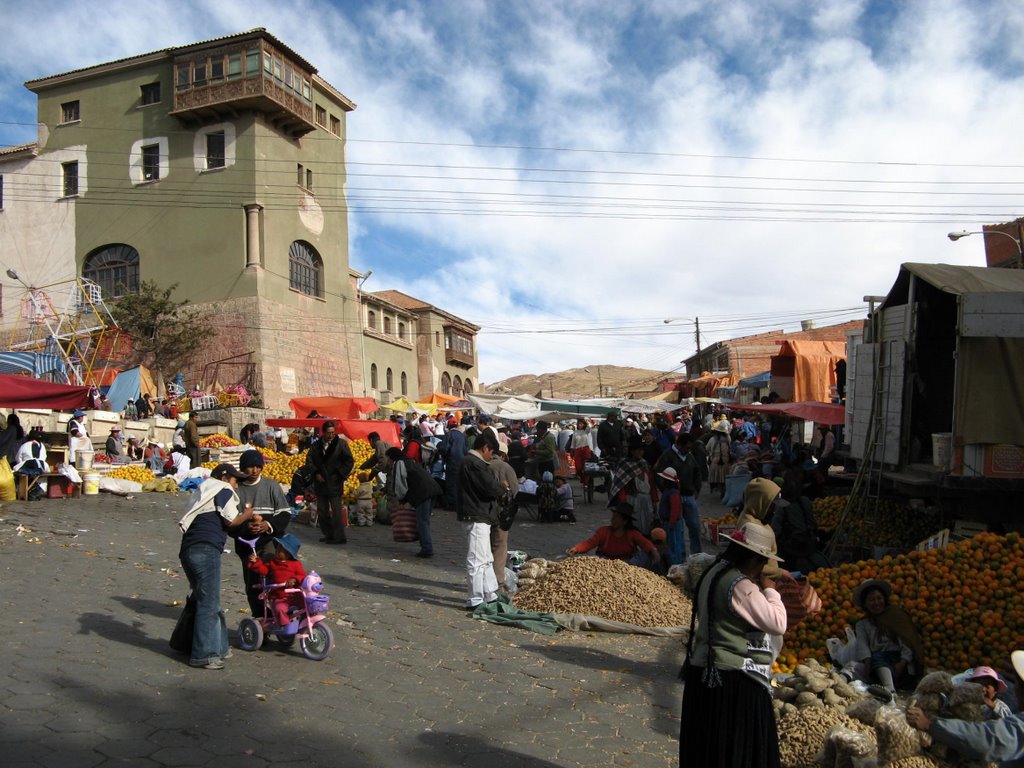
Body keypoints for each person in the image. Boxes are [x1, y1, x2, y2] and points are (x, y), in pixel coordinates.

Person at [679, 523, 787, 768]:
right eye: (761, 563)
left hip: (703, 670)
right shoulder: (741, 586)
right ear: (755, 560)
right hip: (731, 680)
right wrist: (771, 592)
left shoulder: (713, 572)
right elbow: (778, 623)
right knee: (733, 748)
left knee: (708, 747)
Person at [175, 463, 254, 669]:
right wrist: (246, 515)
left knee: (203, 597)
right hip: (206, 548)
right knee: (209, 603)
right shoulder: (222, 488)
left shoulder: (203, 490)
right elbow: (230, 520)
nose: (236, 486)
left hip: (188, 549)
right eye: (236, 481)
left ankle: (214, 647)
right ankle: (205, 655)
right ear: (226, 477)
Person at [906, 650, 1024, 765]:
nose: (983, 689)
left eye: (1018, 685)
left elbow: (985, 739)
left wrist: (930, 724)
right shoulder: (963, 699)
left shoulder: (1009, 715)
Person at [233, 449, 292, 618]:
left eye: (257, 467)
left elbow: (284, 514)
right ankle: (260, 617)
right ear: (243, 468)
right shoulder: (237, 489)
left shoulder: (271, 486)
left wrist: (267, 524)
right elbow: (231, 521)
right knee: (253, 583)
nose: (254, 471)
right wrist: (246, 527)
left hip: (269, 540)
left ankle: (278, 612)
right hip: (246, 544)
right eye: (250, 467)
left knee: (273, 577)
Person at [456, 432, 507, 610]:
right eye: (490, 453)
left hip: (479, 514)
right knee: (477, 559)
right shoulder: (473, 463)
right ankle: (475, 598)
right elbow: (489, 487)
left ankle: (490, 593)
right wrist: (503, 487)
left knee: (486, 558)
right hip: (476, 514)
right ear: (485, 448)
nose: (490, 457)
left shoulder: (471, 462)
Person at [852, 578, 925, 697]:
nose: (876, 603)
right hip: (878, 663)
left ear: (885, 599)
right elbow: (863, 645)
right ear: (865, 604)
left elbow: (907, 641)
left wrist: (902, 662)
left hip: (899, 661)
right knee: (870, 662)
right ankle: (890, 690)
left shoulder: (896, 616)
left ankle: (889, 690)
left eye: (879, 598)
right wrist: (867, 661)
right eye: (871, 600)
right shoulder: (863, 624)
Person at [386, 446, 442, 558]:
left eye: (388, 458)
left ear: (392, 457)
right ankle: (425, 546)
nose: (387, 461)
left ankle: (427, 549)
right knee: (424, 520)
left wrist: (401, 500)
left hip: (423, 492)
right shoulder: (409, 461)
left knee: (422, 521)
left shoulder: (399, 464)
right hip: (432, 489)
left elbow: (400, 484)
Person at [304, 421, 354, 545]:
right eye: (328, 433)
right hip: (320, 482)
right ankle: (328, 534)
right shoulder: (316, 446)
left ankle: (339, 536)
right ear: (323, 432)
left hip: (335, 482)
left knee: (336, 511)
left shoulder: (341, 444)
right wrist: (316, 473)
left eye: (333, 433)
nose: (331, 435)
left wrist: (339, 474)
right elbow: (309, 461)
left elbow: (349, 461)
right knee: (322, 510)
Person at [654, 433, 702, 559]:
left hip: (689, 496)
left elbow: (697, 472)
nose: (688, 450)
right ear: (680, 445)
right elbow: (658, 473)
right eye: (687, 447)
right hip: (675, 497)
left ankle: (696, 555)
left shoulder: (689, 456)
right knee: (677, 529)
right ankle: (679, 557)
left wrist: (697, 489)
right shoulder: (668, 455)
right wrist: (666, 491)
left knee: (695, 527)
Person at [565, 504, 658, 567]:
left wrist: (654, 551)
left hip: (627, 564)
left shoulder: (632, 533)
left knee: (644, 556)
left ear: (624, 521)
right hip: (606, 563)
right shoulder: (604, 531)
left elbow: (645, 543)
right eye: (613, 517)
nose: (612, 520)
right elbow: (590, 543)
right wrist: (576, 548)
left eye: (616, 517)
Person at [247, 533, 307, 628]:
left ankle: (305, 621)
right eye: (277, 548)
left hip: (294, 594)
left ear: (288, 553)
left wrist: (294, 579)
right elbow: (263, 570)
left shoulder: (296, 564)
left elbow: (302, 575)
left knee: (306, 603)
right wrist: (256, 562)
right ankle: (285, 626)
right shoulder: (272, 563)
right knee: (280, 609)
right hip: (278, 595)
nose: (276, 551)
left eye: (280, 550)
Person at [771, 477, 829, 574]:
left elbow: (775, 530)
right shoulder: (805, 501)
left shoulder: (782, 506)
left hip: (792, 549)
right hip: (809, 542)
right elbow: (813, 523)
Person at [606, 436, 655, 533]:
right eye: (637, 450)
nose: (639, 452)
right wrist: (623, 501)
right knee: (632, 528)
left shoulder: (645, 464)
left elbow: (651, 484)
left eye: (641, 450)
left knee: (647, 527)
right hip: (631, 501)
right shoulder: (624, 465)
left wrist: (654, 500)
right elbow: (619, 486)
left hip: (646, 501)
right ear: (632, 451)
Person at [489, 443, 519, 587]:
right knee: (500, 545)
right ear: (504, 455)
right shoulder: (506, 467)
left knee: (485, 546)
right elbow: (515, 490)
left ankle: (484, 579)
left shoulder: (484, 464)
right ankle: (497, 580)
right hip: (501, 512)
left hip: (484, 511)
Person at [656, 467, 685, 565]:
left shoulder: (673, 493)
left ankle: (675, 565)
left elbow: (675, 509)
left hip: (672, 523)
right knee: (670, 544)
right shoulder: (669, 491)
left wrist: (672, 522)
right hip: (668, 522)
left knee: (674, 545)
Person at [437, 425, 467, 510]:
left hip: (453, 461)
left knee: (451, 482)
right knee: (460, 482)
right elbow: (466, 449)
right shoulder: (462, 435)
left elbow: (444, 448)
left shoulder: (449, 434)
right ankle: (459, 502)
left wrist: (439, 450)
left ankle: (452, 504)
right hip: (462, 461)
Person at [706, 420, 731, 497]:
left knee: (718, 478)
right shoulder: (728, 438)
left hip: (715, 461)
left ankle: (720, 491)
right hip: (726, 460)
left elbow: (707, 448)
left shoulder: (712, 439)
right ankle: (724, 490)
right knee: (725, 477)